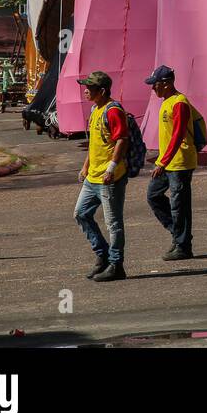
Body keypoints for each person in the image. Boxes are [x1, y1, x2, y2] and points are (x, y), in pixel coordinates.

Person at [73, 70, 128, 282]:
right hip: (93, 177)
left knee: (113, 224)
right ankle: (102, 254)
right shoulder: (96, 109)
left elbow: (122, 139)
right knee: (81, 213)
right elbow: (96, 143)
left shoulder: (113, 110)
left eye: (90, 88)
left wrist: (111, 168)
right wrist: (86, 165)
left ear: (102, 91)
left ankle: (116, 265)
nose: (85, 91)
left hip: (109, 178)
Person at [144, 65, 199, 260]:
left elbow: (177, 135)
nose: (153, 89)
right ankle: (178, 234)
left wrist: (162, 162)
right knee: (153, 196)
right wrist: (162, 161)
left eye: (155, 85)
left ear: (166, 84)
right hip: (167, 161)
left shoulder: (179, 103)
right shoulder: (166, 101)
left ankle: (183, 246)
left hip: (180, 162)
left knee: (179, 204)